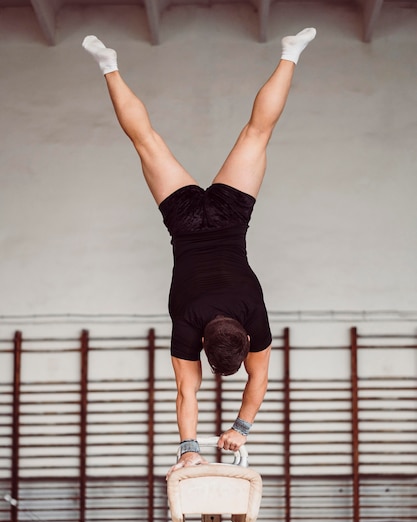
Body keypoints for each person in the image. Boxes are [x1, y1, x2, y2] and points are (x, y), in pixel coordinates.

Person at [82, 27, 316, 475]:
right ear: (205, 343)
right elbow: (187, 392)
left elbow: (259, 378)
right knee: (145, 140)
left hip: (230, 218)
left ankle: (290, 54)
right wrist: (192, 446)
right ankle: (107, 64)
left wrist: (242, 426)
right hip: (185, 224)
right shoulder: (188, 323)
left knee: (257, 133)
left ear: (242, 340)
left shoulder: (254, 316)